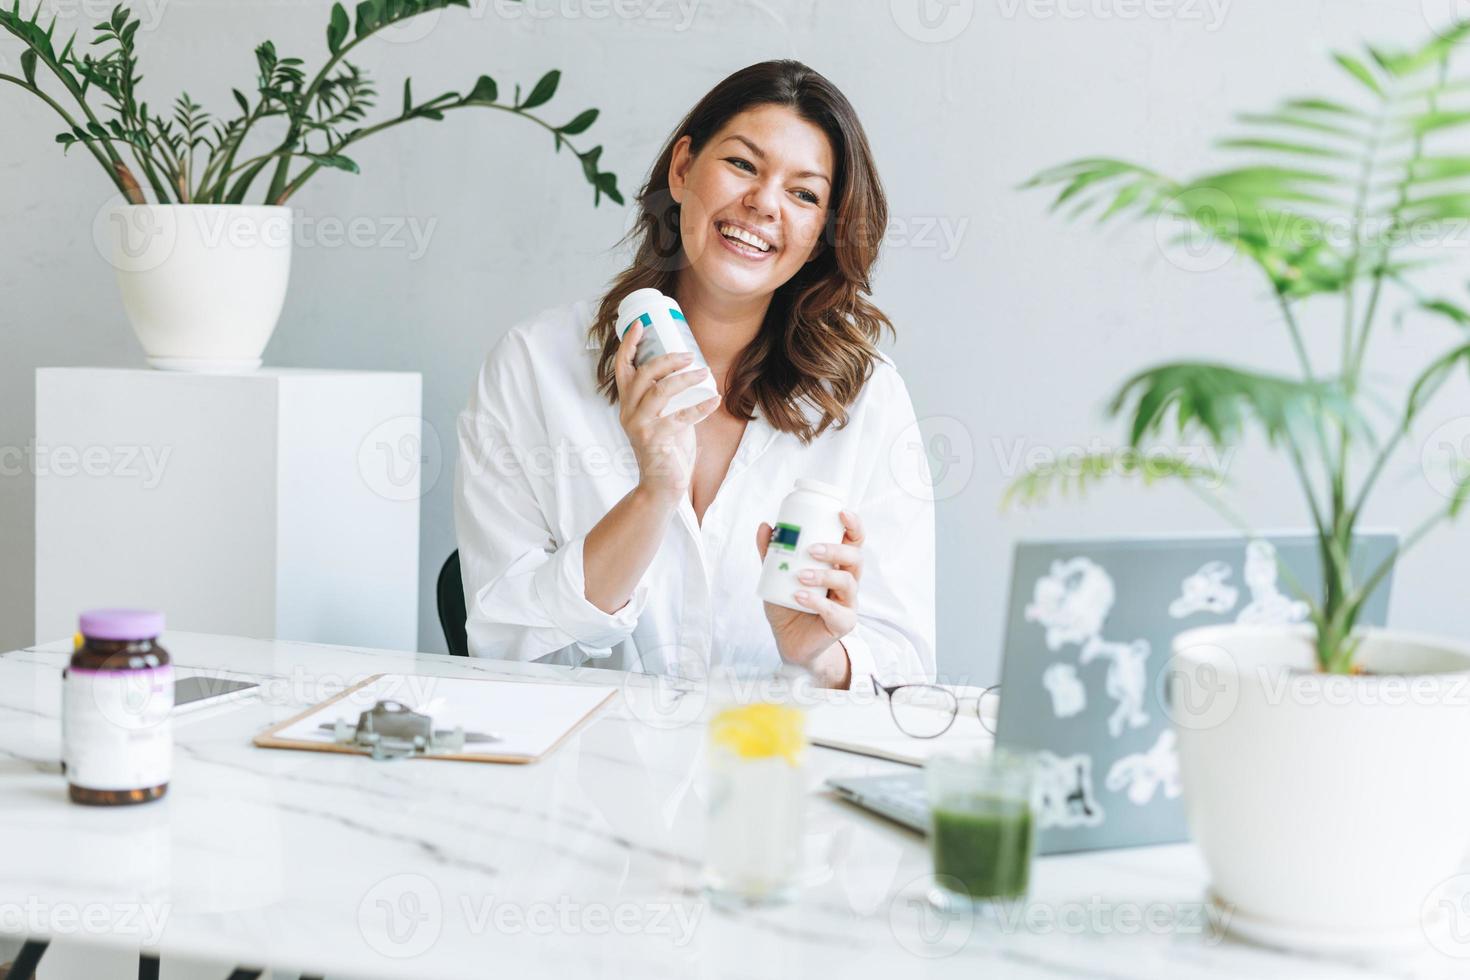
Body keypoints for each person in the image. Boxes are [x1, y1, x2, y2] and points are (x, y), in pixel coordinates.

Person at [453, 60, 934, 690]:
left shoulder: (864, 398)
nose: (763, 204)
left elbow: (906, 669)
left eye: (804, 193)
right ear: (683, 169)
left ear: (821, 233)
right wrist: (654, 493)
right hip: (581, 774)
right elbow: (503, 641)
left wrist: (820, 654)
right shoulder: (535, 366)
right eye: (742, 164)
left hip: (769, 770)